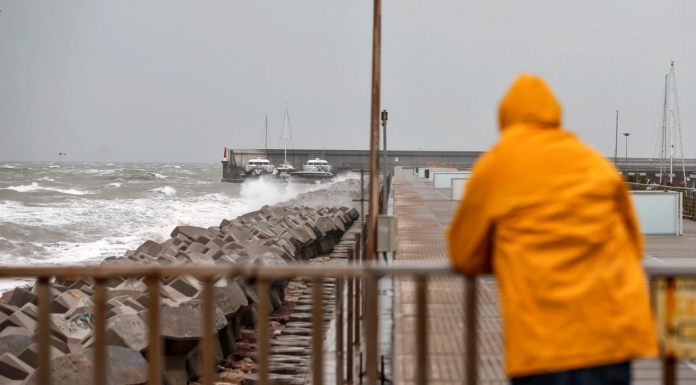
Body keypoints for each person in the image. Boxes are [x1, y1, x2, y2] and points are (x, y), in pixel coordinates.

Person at [447, 74, 658, 384]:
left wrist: (507, 254)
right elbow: (635, 244)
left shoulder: (496, 165)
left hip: (543, 342)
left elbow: (464, 254)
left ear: (505, 117)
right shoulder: (593, 162)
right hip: (612, 335)